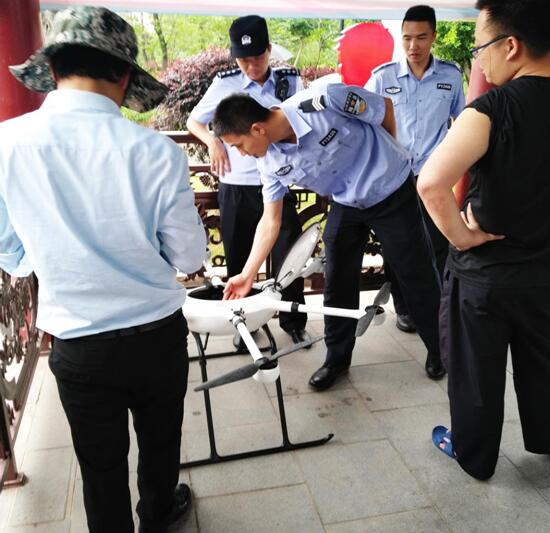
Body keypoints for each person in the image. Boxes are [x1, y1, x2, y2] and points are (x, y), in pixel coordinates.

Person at [1, 7, 206, 532]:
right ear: (124, 76)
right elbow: (189, 257)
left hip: (79, 343)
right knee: (160, 441)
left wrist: (54, 255)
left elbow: (10, 251)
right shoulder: (156, 152)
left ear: (53, 67)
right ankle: (159, 514)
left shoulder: (6, 144)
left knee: (100, 465)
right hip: (155, 333)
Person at [211, 83, 444, 390]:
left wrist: (388, 154)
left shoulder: (326, 101)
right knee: (337, 279)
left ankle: (440, 349)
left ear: (257, 129)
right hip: (346, 202)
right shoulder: (269, 163)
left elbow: (384, 109)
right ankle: (337, 359)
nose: (241, 153)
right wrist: (247, 274)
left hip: (390, 191)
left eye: (239, 145)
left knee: (415, 273)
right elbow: (270, 221)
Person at [418, 0, 550, 480]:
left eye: (480, 48)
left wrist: (462, 237)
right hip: (544, 275)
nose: (479, 59)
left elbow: (431, 184)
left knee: (476, 374)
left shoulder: (490, 109)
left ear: (511, 46)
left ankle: (473, 454)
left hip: (486, 277)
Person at [187, 15, 309, 349]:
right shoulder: (224, 84)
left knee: (288, 256)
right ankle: (245, 325)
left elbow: (301, 121)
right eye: (243, 60)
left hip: (278, 184)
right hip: (236, 186)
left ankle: (294, 322)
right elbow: (194, 121)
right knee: (240, 258)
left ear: (269, 50)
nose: (251, 66)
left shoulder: (289, 82)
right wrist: (213, 140)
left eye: (257, 57)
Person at [366, 5, 465, 334]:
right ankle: (404, 307)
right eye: (407, 38)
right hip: (394, 179)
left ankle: (438, 306)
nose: (413, 46)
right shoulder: (383, 77)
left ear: (433, 36)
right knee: (397, 246)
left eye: (421, 37)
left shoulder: (450, 77)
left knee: (438, 245)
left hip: (435, 178)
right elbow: (366, 123)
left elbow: (462, 123)